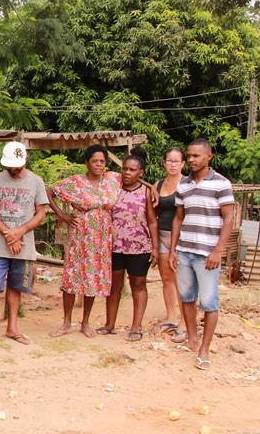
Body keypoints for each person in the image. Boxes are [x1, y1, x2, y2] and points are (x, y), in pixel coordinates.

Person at [0, 141, 48, 349]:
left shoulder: (36, 182)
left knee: (16, 287)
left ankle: (12, 328)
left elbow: (41, 213)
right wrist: (9, 235)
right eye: (9, 166)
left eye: (16, 166)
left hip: (24, 247)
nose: (12, 170)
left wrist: (20, 232)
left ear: (25, 160)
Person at [170, 138, 235, 371]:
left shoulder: (221, 184)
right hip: (185, 251)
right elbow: (178, 217)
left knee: (208, 302)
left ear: (209, 156)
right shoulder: (184, 185)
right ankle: (192, 339)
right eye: (189, 156)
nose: (191, 160)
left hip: (208, 254)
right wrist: (173, 250)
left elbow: (229, 217)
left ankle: (205, 349)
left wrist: (219, 250)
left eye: (196, 156)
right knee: (187, 298)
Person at [47, 145, 121, 338]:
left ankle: (86, 322)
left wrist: (151, 189)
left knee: (93, 279)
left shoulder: (113, 180)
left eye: (102, 161)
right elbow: (49, 192)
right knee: (73, 277)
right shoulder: (76, 182)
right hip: (80, 237)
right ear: (87, 162)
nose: (99, 164)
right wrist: (62, 215)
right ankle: (66, 322)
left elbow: (135, 178)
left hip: (102, 239)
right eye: (95, 161)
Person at [97, 149, 159, 342]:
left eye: (132, 170)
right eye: (124, 168)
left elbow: (152, 221)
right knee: (114, 286)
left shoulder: (146, 192)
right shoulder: (113, 186)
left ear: (141, 172)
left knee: (138, 285)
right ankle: (109, 324)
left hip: (139, 247)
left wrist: (155, 247)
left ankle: (136, 327)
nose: (127, 173)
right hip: (114, 246)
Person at [155, 147, 186, 338]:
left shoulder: (188, 184)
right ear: (164, 163)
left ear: (183, 164)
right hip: (162, 235)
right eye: (169, 160)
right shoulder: (158, 184)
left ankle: (184, 319)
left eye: (176, 161)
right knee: (166, 279)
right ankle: (171, 316)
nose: (172, 164)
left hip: (182, 238)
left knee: (182, 280)